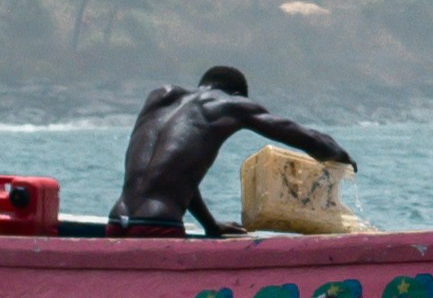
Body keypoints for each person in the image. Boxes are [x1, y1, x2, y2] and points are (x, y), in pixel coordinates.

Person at [116, 65, 353, 235]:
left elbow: (174, 176)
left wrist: (210, 225)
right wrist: (336, 153)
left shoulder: (160, 97)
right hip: (157, 225)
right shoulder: (230, 105)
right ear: (238, 96)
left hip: (118, 219)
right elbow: (296, 133)